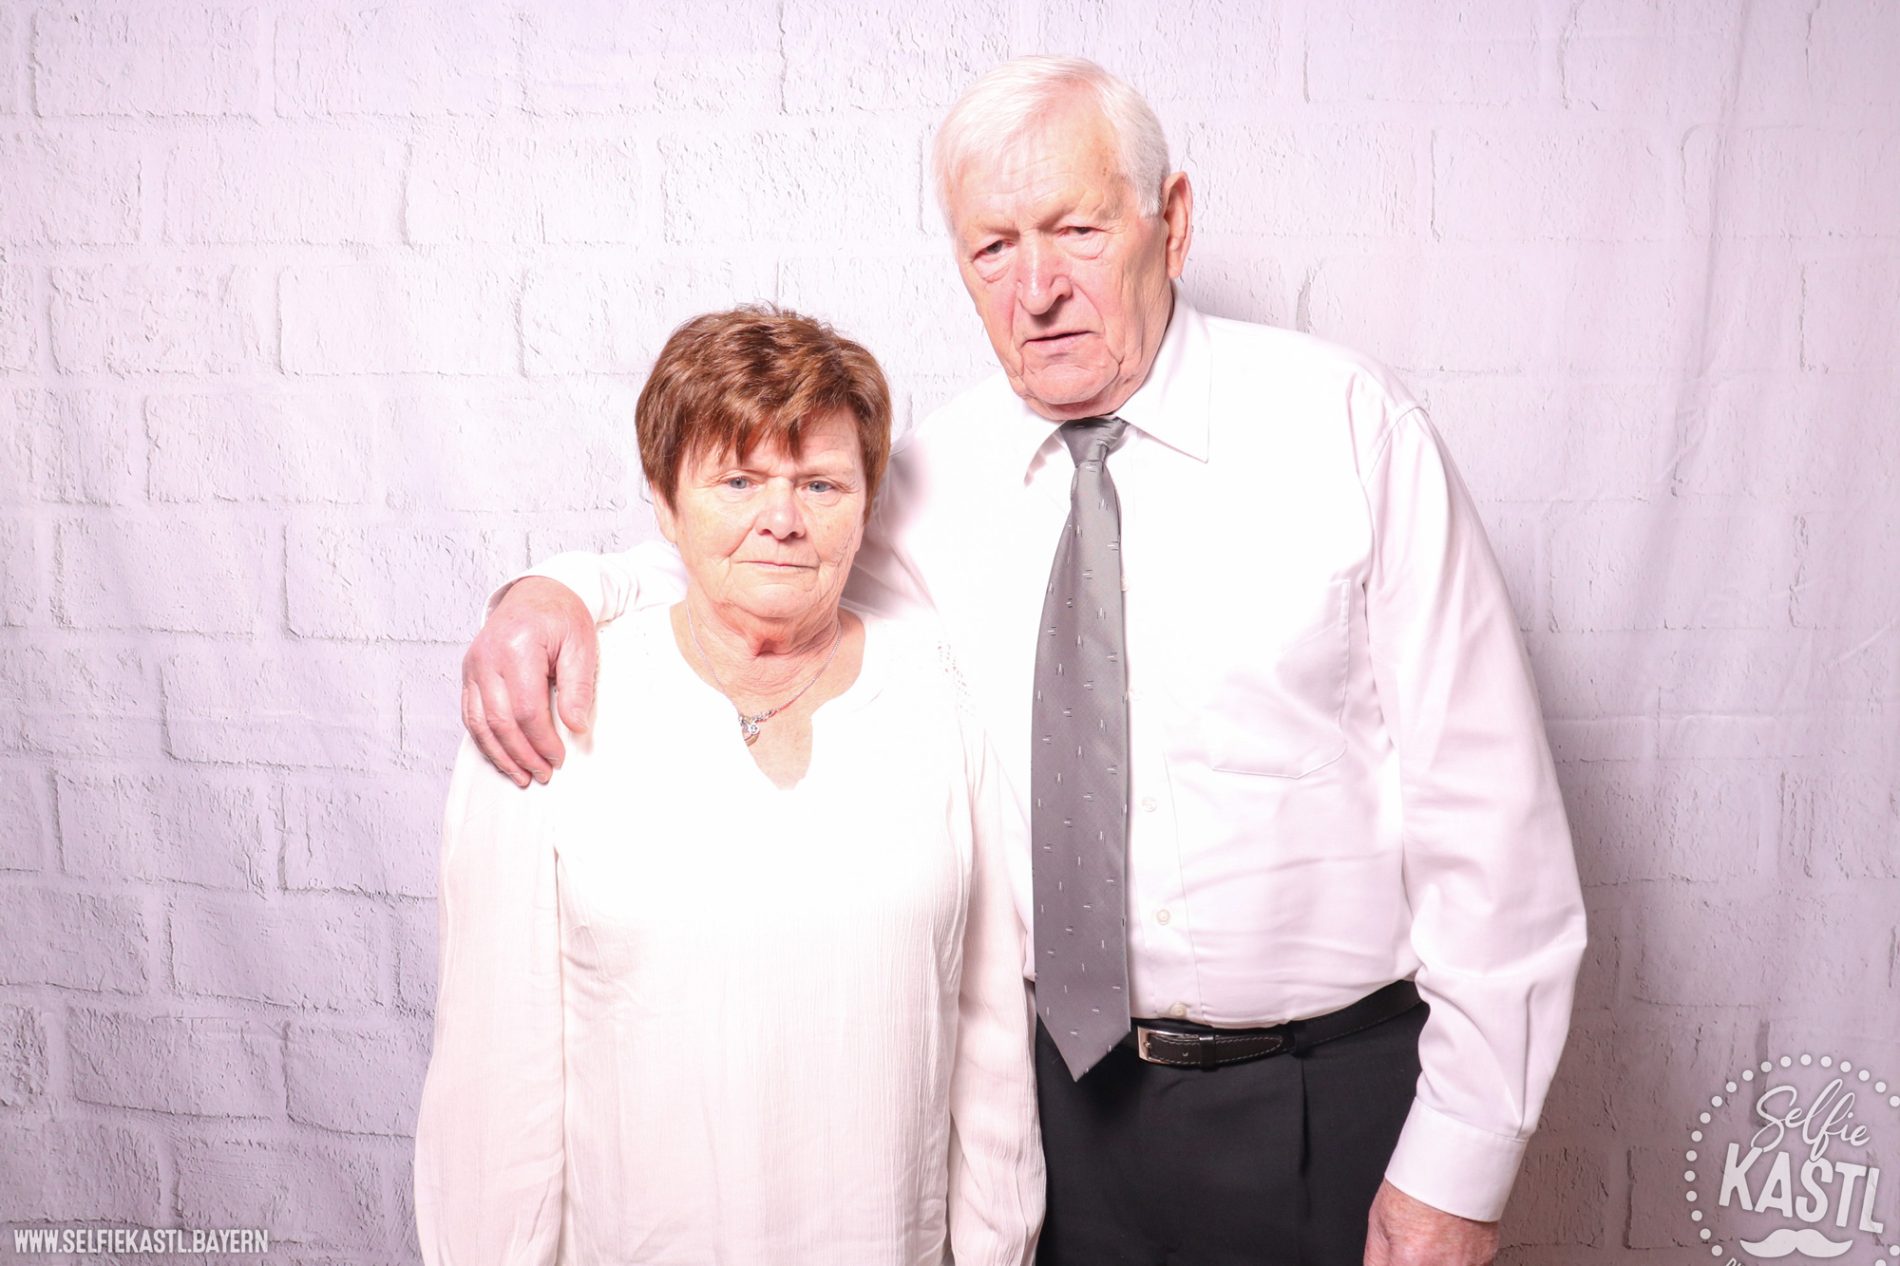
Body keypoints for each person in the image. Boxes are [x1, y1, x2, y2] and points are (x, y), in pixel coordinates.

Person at [460, 57, 1587, 1266]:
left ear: (1172, 221)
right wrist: (557, 593)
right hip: (1064, 1127)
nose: (1037, 288)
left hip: (1330, 1104)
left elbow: (1493, 825)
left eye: (1077, 230)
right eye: (993, 247)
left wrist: (1458, 1170)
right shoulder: (933, 484)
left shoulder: (1346, 431)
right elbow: (759, 552)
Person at [414, 307, 1044, 1265]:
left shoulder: (939, 699)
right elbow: (496, 1084)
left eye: (821, 484)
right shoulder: (556, 704)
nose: (781, 519)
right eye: (738, 481)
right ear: (666, 503)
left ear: (866, 504)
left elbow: (992, 1044)